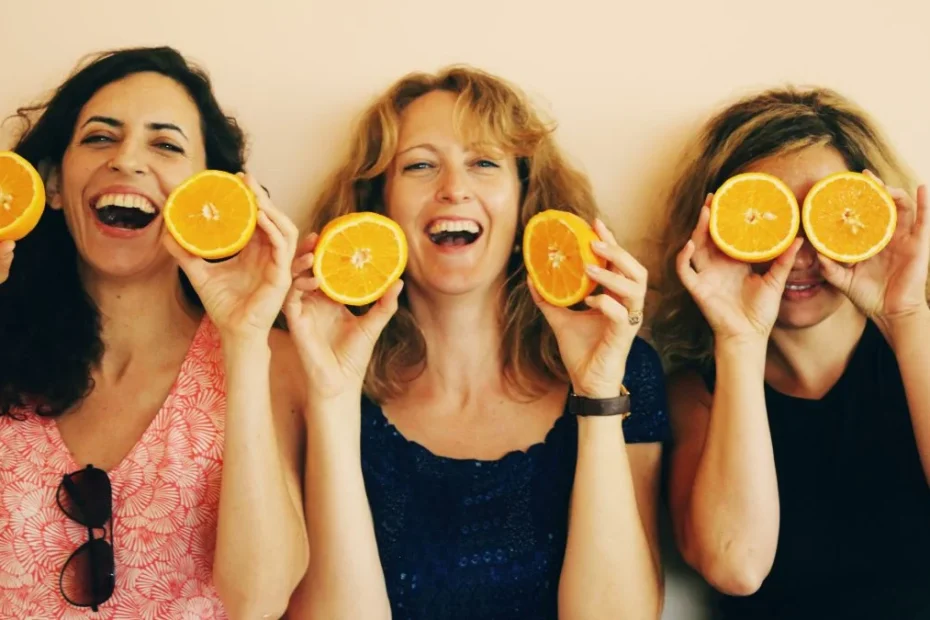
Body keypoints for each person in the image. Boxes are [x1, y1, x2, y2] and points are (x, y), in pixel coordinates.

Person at [283, 65, 669, 620]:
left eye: (484, 163)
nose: (453, 189)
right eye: (420, 165)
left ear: (525, 200)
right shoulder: (307, 369)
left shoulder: (629, 372)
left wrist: (598, 390)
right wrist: (332, 397)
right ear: (379, 205)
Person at [0, 46, 309, 618]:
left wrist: (242, 338)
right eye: (99, 138)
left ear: (206, 198)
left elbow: (259, 600)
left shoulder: (274, 361)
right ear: (55, 185)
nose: (127, 161)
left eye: (165, 145)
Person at [653, 86, 930, 619]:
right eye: (768, 216)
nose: (797, 253)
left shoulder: (915, 351)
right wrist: (738, 337)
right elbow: (736, 566)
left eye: (826, 214)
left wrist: (906, 316)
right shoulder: (695, 395)